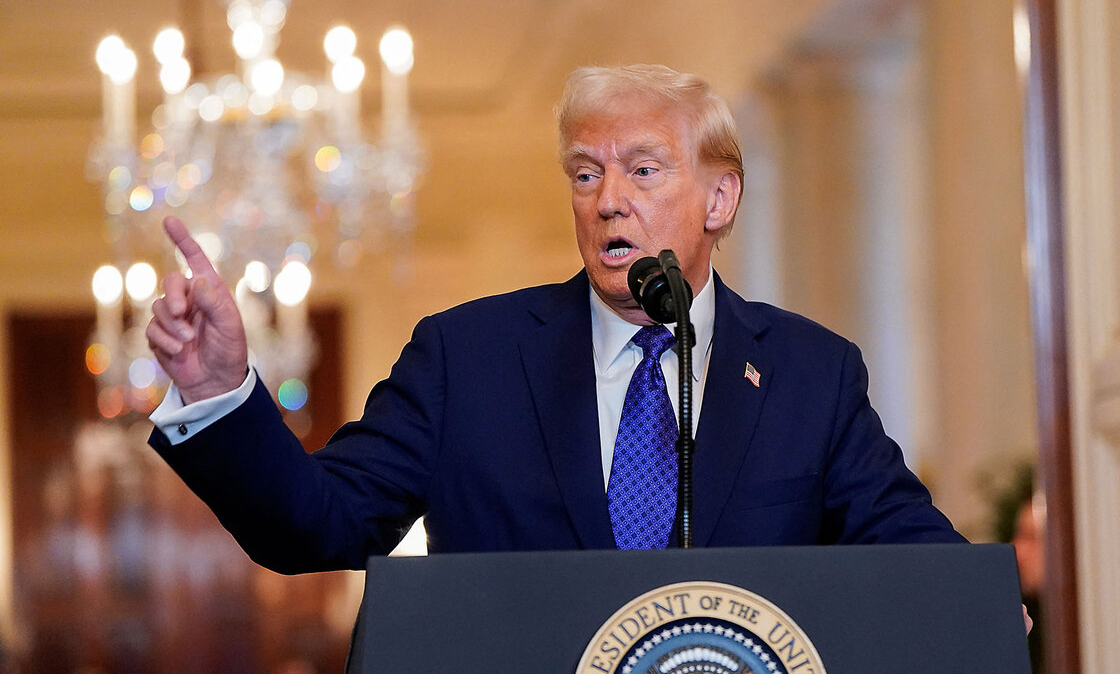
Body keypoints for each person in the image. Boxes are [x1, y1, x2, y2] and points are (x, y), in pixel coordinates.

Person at [145, 64, 966, 576]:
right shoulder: (466, 359)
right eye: (585, 174)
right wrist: (221, 390)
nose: (608, 199)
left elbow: (905, 543)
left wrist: (980, 607)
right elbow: (315, 526)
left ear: (720, 198)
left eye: (643, 170)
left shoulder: (809, 373)